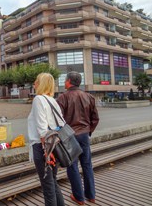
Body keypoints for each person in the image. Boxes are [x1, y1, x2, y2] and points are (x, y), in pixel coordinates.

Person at [56, 71, 99, 205]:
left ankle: (79, 197)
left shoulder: (62, 97)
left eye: (65, 80)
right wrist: (88, 131)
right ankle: (91, 195)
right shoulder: (89, 97)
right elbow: (95, 118)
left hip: (70, 136)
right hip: (85, 135)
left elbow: (58, 120)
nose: (64, 82)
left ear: (69, 81)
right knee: (87, 165)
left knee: (72, 166)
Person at [27, 73, 65, 206]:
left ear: (41, 84)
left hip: (43, 147)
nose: (34, 83)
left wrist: (47, 153)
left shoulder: (38, 99)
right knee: (52, 182)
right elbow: (60, 124)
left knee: (48, 187)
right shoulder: (52, 100)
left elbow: (42, 130)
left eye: (36, 81)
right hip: (55, 146)